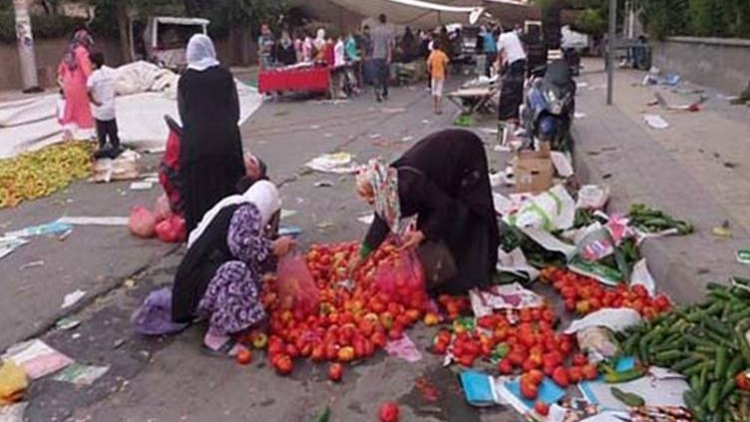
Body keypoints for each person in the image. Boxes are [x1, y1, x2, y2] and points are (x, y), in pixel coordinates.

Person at [351, 129, 500, 294]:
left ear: (379, 190)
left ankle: (475, 274)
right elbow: (381, 220)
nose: (370, 202)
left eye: (371, 197)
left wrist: (422, 233)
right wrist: (362, 256)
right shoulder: (390, 187)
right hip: (442, 168)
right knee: (435, 226)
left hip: (465, 153)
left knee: (468, 215)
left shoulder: (410, 184)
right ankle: (449, 273)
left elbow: (445, 207)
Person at [172, 181, 297, 355]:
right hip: (197, 284)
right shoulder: (248, 211)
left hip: (198, 283)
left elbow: (241, 250)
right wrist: (273, 247)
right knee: (236, 271)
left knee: (245, 274)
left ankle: (222, 316)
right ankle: (215, 338)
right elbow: (241, 247)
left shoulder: (237, 207)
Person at [178, 34, 246, 233]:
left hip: (195, 144)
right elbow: (235, 110)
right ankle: (231, 234)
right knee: (228, 188)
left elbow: (183, 113)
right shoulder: (224, 75)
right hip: (226, 141)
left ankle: (200, 238)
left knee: (198, 191)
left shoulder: (185, 79)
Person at [57, 29, 95, 140]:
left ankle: (68, 132)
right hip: (79, 84)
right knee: (83, 110)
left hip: (67, 85)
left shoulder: (69, 52)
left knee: (71, 109)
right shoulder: (82, 52)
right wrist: (91, 85)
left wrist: (63, 86)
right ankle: (88, 136)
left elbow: (60, 72)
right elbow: (87, 71)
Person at [86, 51, 120, 156]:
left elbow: (88, 91)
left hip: (99, 110)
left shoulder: (93, 77)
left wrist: (94, 101)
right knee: (113, 132)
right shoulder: (110, 72)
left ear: (94, 64)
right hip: (110, 108)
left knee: (102, 134)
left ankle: (104, 151)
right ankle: (116, 149)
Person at [496, 26, 527, 121]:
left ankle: (508, 115)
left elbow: (500, 54)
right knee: (518, 86)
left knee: (510, 87)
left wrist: (499, 69)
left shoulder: (502, 37)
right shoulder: (513, 35)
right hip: (522, 60)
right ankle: (515, 113)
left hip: (515, 63)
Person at [370, 14, 395, 102]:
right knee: (385, 76)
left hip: (375, 55)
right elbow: (390, 45)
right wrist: (389, 56)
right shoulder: (389, 31)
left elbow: (372, 44)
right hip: (384, 56)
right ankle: (385, 93)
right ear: (386, 20)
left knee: (376, 75)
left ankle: (377, 92)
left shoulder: (373, 31)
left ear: (378, 20)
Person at [426, 41, 449, 115]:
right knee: (439, 92)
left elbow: (428, 64)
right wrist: (446, 71)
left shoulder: (432, 55)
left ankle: (435, 108)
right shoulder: (442, 54)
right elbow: (445, 64)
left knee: (434, 92)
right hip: (441, 75)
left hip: (433, 75)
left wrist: (430, 71)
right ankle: (440, 108)